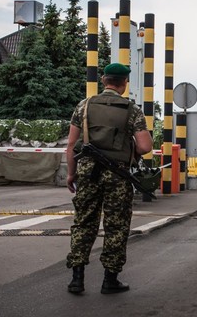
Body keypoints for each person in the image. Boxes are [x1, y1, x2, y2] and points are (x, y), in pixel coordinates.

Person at [65, 62, 153, 294]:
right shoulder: (131, 110)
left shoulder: (84, 106)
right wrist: (129, 148)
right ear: (124, 84)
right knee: (116, 226)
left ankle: (77, 279)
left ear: (104, 80)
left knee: (84, 222)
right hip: (117, 175)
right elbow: (145, 146)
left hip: (87, 172)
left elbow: (72, 144)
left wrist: (71, 173)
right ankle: (110, 280)